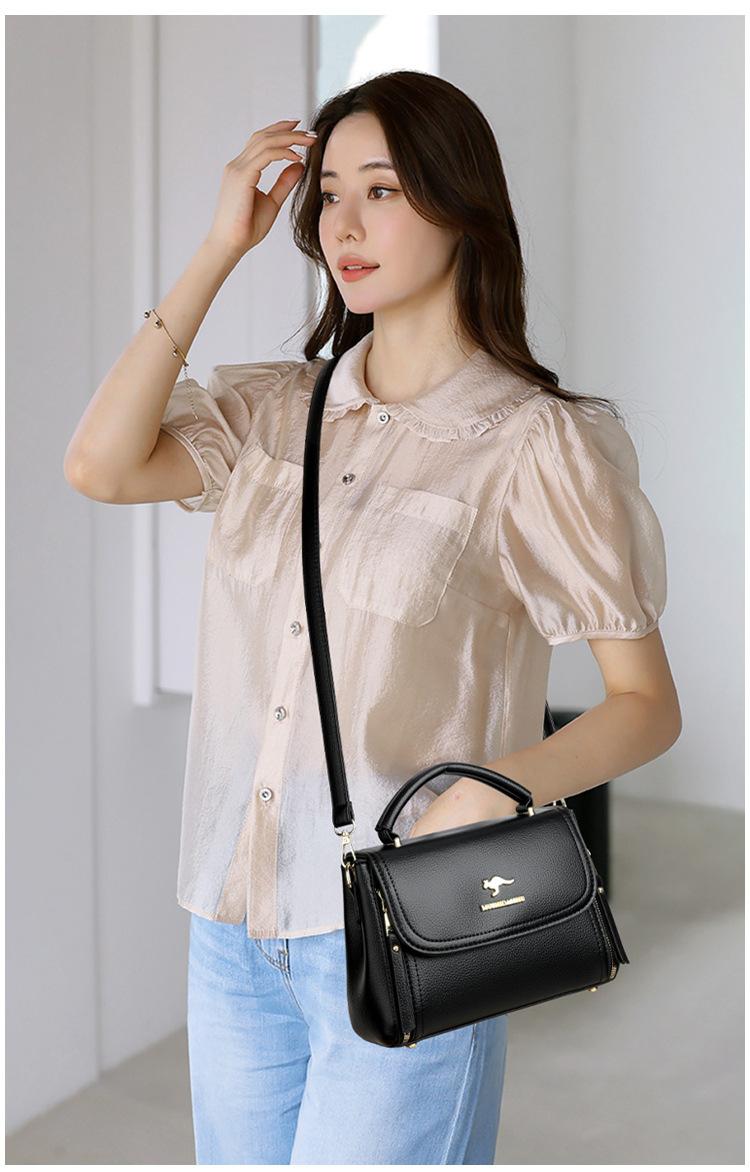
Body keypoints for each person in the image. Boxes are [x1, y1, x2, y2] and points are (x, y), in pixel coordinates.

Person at [64, 70, 681, 1165]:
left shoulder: (535, 444)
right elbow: (100, 465)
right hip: (231, 920)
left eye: (383, 190)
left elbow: (646, 706)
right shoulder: (275, 408)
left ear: (460, 202)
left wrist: (496, 790)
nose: (343, 224)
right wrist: (220, 248)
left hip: (407, 918)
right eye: (330, 194)